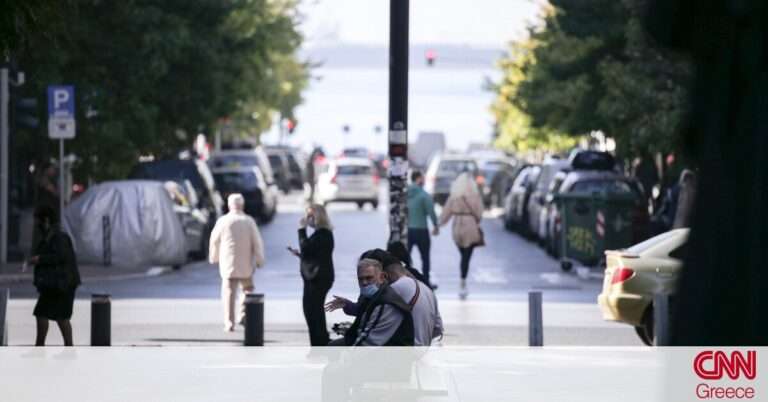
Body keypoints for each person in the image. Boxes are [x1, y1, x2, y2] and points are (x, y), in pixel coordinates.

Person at [209, 194, 265, 332]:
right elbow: (257, 243)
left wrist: (214, 257)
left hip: (228, 263)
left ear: (229, 205)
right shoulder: (248, 221)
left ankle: (229, 323)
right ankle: (243, 313)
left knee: (228, 293)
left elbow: (214, 240)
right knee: (247, 289)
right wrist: (259, 260)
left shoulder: (223, 221)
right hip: (245, 263)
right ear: (242, 205)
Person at [326, 258, 414, 346]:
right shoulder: (373, 295)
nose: (364, 283)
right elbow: (363, 312)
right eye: (360, 279)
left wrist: (346, 357)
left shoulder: (385, 303)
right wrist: (347, 305)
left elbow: (367, 343)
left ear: (382, 277)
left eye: (369, 278)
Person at [28, 205, 81, 346]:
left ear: (45, 220)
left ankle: (65, 348)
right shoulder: (51, 235)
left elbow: (60, 256)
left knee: (57, 316)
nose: (36, 225)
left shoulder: (59, 236)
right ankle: (45, 346)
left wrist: (40, 259)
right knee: (50, 314)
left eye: (38, 221)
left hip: (63, 283)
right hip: (56, 283)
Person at [289, 204, 335, 346]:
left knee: (313, 310)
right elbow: (312, 253)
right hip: (314, 277)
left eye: (310, 216)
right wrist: (300, 254)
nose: (307, 219)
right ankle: (319, 341)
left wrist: (301, 230)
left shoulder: (324, 233)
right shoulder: (320, 234)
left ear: (318, 217)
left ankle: (320, 342)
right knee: (312, 310)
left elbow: (307, 247)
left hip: (318, 278)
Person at [439, 172, 484, 300]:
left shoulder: (454, 196)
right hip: (470, 226)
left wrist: (439, 224)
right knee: (467, 255)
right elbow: (480, 213)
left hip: (457, 226)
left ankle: (462, 280)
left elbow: (446, 212)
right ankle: (463, 281)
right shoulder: (475, 196)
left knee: (463, 253)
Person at [407, 170, 439, 289]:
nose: (424, 180)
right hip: (421, 230)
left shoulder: (405, 194)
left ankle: (407, 280)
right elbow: (431, 211)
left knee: (406, 258)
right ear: (418, 179)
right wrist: (436, 225)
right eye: (423, 178)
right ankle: (426, 282)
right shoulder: (424, 195)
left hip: (408, 230)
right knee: (425, 258)